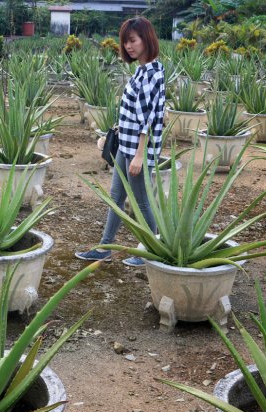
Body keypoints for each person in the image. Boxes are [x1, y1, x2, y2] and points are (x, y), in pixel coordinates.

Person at [75, 16, 165, 267]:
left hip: (138, 149)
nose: (128, 46)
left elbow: (147, 120)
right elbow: (131, 112)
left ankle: (151, 251)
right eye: (125, 42)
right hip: (125, 145)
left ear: (146, 40)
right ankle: (105, 248)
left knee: (142, 202)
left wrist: (139, 155)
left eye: (133, 40)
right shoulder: (142, 70)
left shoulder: (152, 74)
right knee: (116, 197)